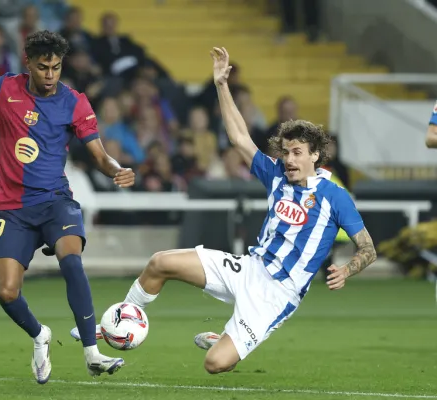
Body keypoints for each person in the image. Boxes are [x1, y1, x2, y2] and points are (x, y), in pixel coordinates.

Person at [69, 47, 377, 373]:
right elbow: (240, 138)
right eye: (286, 152)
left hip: (276, 295)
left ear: (315, 156)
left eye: (297, 152)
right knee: (160, 263)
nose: (289, 159)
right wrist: (221, 85)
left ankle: (225, 339)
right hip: (248, 268)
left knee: (215, 364)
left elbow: (368, 247)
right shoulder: (276, 175)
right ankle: (120, 319)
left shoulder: (335, 197)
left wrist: (347, 269)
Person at [0, 31, 134, 383]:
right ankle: (40, 335)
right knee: (7, 292)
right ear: (27, 63)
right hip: (13, 209)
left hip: (56, 201)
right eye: (43, 67)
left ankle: (91, 353)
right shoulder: (4, 88)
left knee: (71, 260)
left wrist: (118, 171)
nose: (50, 75)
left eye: (56, 67)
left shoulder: (75, 102)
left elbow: (100, 156)